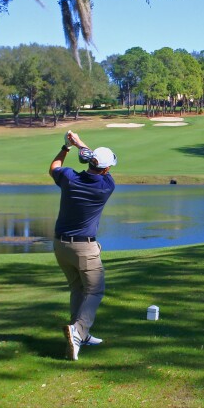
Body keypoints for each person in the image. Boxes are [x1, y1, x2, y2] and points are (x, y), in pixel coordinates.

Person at [50, 130, 117, 361]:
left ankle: (82, 334)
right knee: (95, 290)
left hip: (60, 246)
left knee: (78, 288)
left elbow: (54, 167)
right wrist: (81, 145)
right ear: (106, 169)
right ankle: (77, 332)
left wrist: (67, 146)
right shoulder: (106, 186)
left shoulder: (69, 178)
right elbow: (94, 160)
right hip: (84, 249)